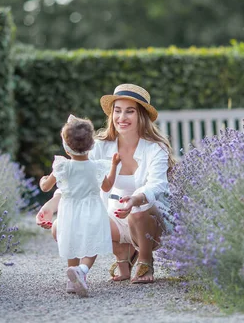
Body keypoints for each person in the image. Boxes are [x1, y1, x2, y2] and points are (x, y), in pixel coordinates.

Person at [36, 84, 175, 284]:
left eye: (130, 111)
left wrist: (135, 198)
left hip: (148, 220)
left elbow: (157, 184)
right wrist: (50, 205)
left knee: (139, 208)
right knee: (61, 226)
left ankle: (145, 259)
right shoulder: (100, 146)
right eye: (117, 111)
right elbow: (77, 179)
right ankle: (123, 255)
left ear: (141, 116)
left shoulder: (155, 149)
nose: (122, 117)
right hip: (114, 218)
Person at [39, 114, 120, 297]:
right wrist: (114, 165)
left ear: (66, 147)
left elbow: (45, 187)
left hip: (69, 211)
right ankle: (82, 271)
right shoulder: (96, 167)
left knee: (72, 242)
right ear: (92, 146)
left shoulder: (62, 166)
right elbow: (107, 186)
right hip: (92, 210)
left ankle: (72, 278)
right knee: (92, 244)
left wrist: (43, 179)